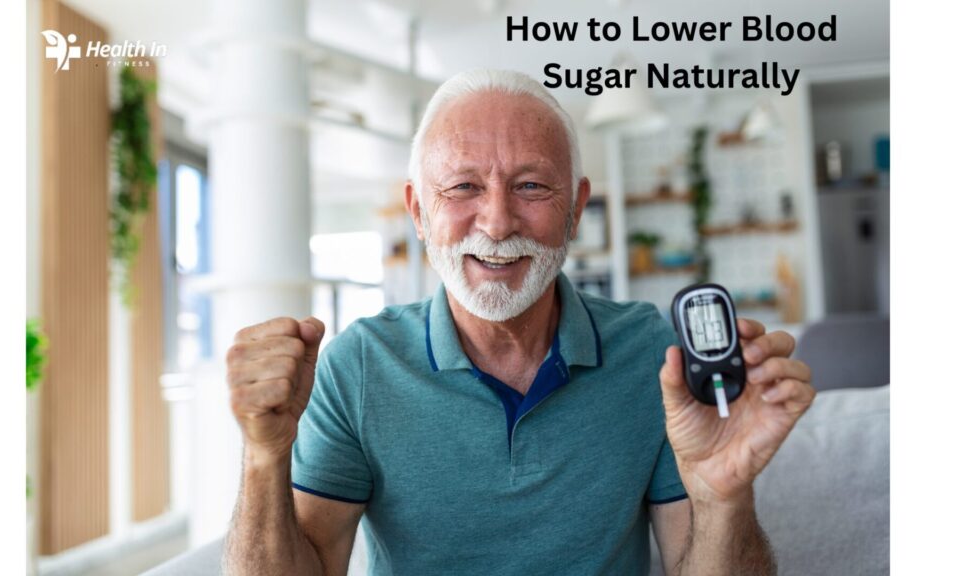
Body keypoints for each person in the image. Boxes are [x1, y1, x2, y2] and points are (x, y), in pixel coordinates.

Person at [222, 69, 815, 575]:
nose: (499, 221)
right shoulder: (358, 364)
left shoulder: (652, 355)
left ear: (576, 209)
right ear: (418, 212)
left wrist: (722, 498)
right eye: (462, 187)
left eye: (531, 186)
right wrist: (264, 456)